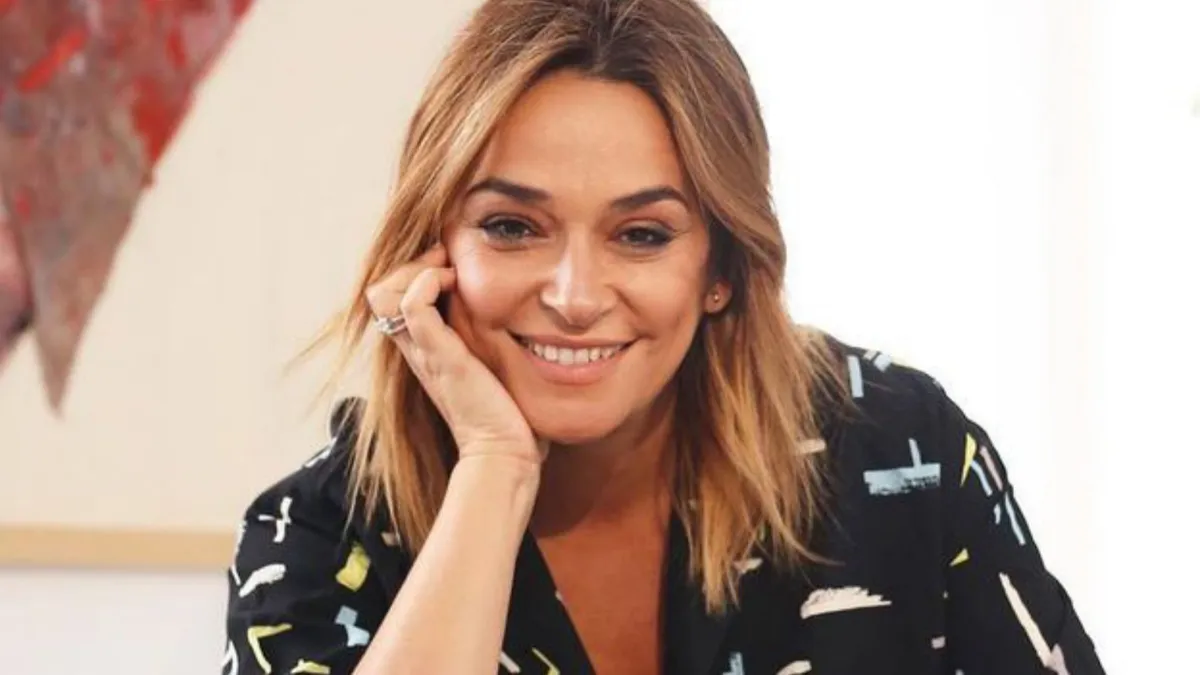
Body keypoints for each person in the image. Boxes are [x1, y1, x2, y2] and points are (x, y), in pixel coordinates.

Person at [222, 1, 1105, 673]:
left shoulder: (901, 452)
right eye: (511, 227)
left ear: (720, 267)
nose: (574, 297)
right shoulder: (316, 538)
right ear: (433, 248)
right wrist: (496, 465)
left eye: (641, 234)